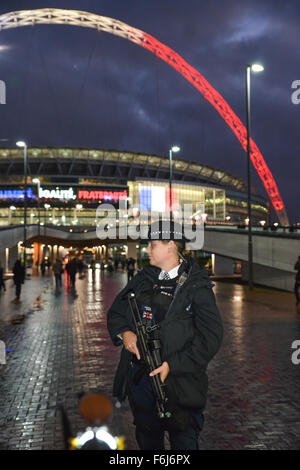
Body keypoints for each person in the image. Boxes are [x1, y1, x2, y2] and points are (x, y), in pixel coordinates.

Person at [107, 220, 223, 450]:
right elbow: (116, 312)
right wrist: (125, 333)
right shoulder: (143, 279)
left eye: (152, 244)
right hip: (142, 385)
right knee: (148, 442)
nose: (147, 249)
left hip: (181, 386)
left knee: (184, 444)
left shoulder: (196, 285)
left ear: (170, 246)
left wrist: (173, 365)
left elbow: (210, 337)